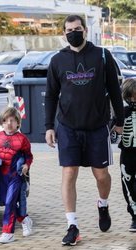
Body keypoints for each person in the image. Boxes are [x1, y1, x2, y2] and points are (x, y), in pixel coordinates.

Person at [44, 15, 124, 246]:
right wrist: (49, 126)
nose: (73, 33)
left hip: (97, 127)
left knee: (101, 175)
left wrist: (119, 119)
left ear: (85, 30)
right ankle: (72, 225)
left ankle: (103, 204)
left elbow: (115, 90)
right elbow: (50, 95)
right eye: (69, 30)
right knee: (69, 174)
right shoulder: (57, 60)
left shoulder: (101, 55)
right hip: (68, 127)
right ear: (63, 33)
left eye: (77, 29)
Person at [0, 107, 33, 244]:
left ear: (17, 123)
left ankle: (7, 232)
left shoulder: (22, 139)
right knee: (6, 201)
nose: (9, 123)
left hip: (15, 175)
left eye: (12, 120)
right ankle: (24, 219)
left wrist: (26, 165)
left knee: (10, 202)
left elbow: (28, 156)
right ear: (2, 122)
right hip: (1, 176)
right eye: (6, 120)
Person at [118, 78, 136, 232]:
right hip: (128, 153)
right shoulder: (123, 112)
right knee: (128, 185)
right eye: (131, 97)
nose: (133, 100)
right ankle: (134, 216)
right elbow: (113, 128)